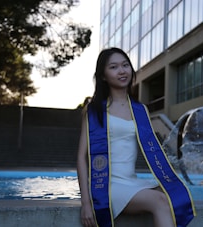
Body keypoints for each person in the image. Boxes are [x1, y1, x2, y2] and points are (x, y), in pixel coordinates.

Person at [77, 47, 195, 227]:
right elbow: (81, 157)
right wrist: (86, 203)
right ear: (103, 76)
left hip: (131, 181)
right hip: (108, 186)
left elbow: (152, 148)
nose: (122, 71)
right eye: (114, 67)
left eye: (125, 65)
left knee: (175, 194)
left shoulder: (140, 110)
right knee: (160, 201)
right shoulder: (95, 111)